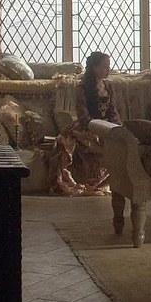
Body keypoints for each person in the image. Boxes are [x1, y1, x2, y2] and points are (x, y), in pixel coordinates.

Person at [47, 51, 119, 196]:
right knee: (76, 145)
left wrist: (116, 127)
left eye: (108, 66)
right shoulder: (82, 88)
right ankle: (88, 182)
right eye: (104, 67)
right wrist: (98, 127)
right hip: (88, 127)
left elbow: (113, 111)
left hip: (107, 126)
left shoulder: (108, 86)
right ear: (94, 68)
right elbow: (83, 116)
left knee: (119, 141)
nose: (108, 70)